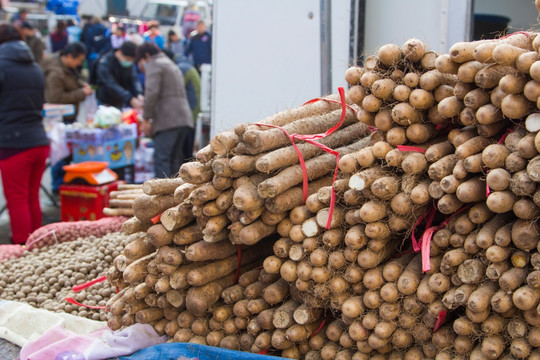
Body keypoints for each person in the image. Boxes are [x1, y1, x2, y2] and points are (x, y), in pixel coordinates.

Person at [0, 24, 50, 244]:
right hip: (39, 140)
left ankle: (21, 245)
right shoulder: (35, 68)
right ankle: (36, 242)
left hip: (13, 143)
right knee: (31, 196)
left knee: (17, 198)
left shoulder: (2, 66)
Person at [135, 43, 193, 177]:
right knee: (174, 159)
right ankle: (176, 195)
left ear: (146, 56)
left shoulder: (155, 64)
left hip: (168, 120)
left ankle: (164, 195)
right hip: (183, 119)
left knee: (162, 158)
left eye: (139, 62)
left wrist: (146, 118)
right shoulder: (170, 64)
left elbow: (151, 93)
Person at [42, 41, 92, 120]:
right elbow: (55, 98)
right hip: (60, 119)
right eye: (80, 60)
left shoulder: (67, 66)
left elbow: (70, 80)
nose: (80, 63)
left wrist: (81, 84)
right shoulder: (55, 73)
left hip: (70, 115)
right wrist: (82, 93)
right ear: (69, 56)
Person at [94, 41, 143, 110]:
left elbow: (134, 79)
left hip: (120, 101)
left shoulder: (128, 65)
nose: (129, 62)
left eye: (131, 60)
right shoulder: (105, 62)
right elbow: (111, 84)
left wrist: (139, 93)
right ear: (120, 52)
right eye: (128, 59)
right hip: (105, 101)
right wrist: (129, 98)